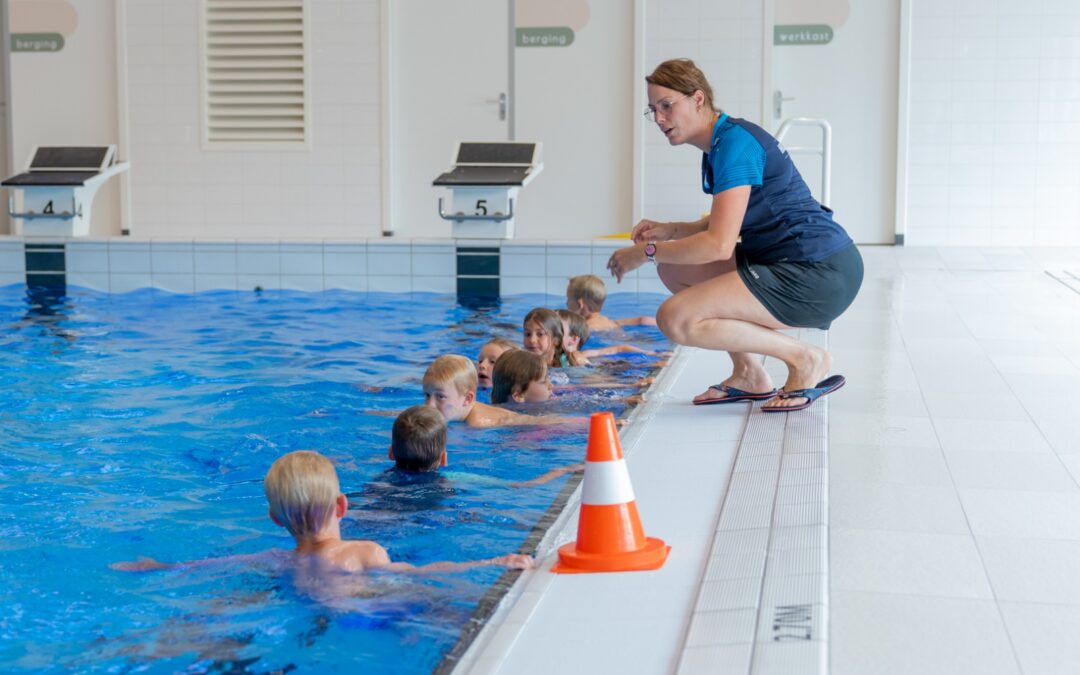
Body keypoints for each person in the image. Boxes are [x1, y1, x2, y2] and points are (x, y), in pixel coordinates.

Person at [606, 58, 863, 412]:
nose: (660, 119)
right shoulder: (724, 141)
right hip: (794, 262)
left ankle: (804, 358)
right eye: (654, 110)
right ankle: (748, 373)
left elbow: (718, 244)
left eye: (667, 106)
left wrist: (646, 252)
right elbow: (726, 221)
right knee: (676, 269)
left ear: (697, 98)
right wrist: (672, 230)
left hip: (817, 272)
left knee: (674, 318)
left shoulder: (734, 146)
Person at [112, 450, 533, 574]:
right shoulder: (365, 553)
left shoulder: (275, 560)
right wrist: (491, 562)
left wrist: (157, 566)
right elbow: (423, 574)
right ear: (342, 506)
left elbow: (210, 565)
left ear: (275, 519)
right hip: (364, 618)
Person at [388, 404, 582, 486]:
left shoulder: (383, 482)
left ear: (391, 453)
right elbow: (519, 486)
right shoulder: (452, 477)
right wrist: (559, 471)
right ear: (444, 459)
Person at [422, 354, 569, 428]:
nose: (429, 405)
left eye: (440, 397)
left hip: (538, 428)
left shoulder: (477, 423)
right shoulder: (464, 409)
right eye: (427, 395)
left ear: (467, 399)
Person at [566, 274, 658, 332]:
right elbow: (643, 320)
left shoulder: (588, 328)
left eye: (569, 299)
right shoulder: (610, 322)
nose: (566, 303)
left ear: (580, 304)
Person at [556, 309, 651, 362]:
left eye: (556, 329)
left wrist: (650, 353)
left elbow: (620, 348)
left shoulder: (581, 357)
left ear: (573, 340)